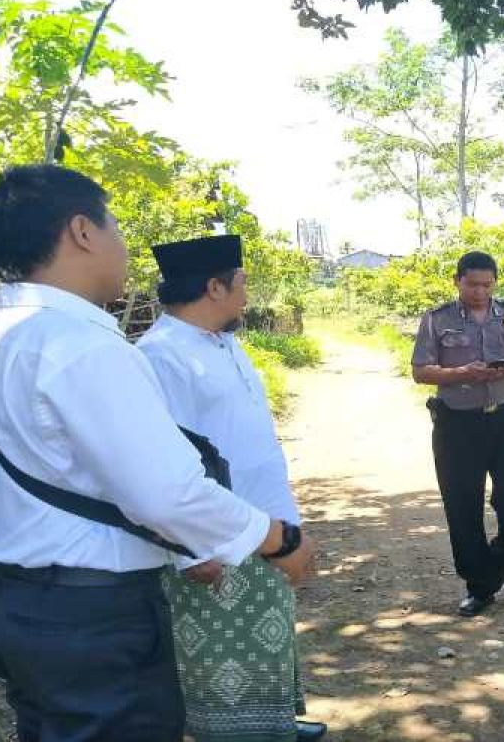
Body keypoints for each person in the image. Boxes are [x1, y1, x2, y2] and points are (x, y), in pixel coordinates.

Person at [0, 165, 313, 742]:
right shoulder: (80, 345)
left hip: (15, 603)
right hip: (92, 618)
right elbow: (167, 493)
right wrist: (279, 541)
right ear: (83, 231)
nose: (124, 245)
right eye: (115, 227)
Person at [137, 234, 326, 742]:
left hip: (263, 517)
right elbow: (167, 467)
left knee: (268, 632)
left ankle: (275, 722)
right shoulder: (159, 355)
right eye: (241, 282)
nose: (247, 292)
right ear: (214, 286)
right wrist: (190, 551)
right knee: (223, 656)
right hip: (217, 534)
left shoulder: (224, 340)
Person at [411, 251, 504, 617]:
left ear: (495, 282)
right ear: (457, 281)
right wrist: (462, 372)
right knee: (463, 505)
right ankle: (480, 585)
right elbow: (421, 372)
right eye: (473, 284)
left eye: (487, 284)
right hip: (458, 423)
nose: (481, 291)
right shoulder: (437, 320)